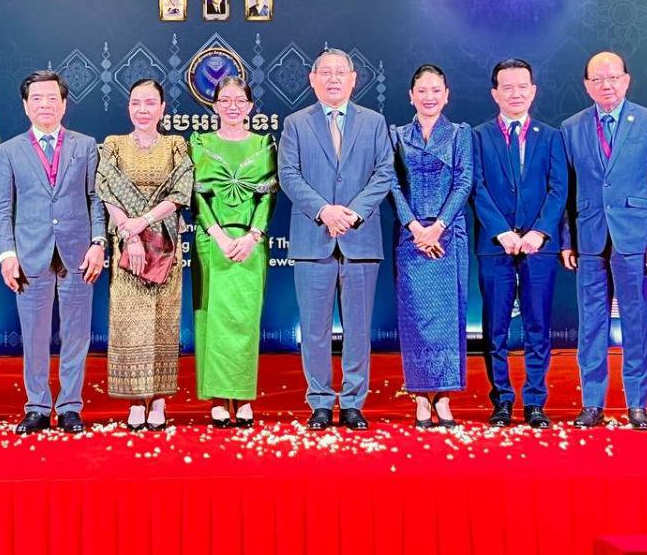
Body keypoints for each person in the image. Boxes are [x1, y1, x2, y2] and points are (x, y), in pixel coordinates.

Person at [278, 48, 394, 431]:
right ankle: (320, 402)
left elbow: (384, 172)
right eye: (325, 72)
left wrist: (353, 212)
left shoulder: (374, 122)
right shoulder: (296, 123)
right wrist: (324, 211)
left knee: (359, 328)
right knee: (314, 329)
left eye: (340, 72)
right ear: (312, 79)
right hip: (315, 237)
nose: (333, 79)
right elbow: (288, 174)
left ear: (353, 79)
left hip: (360, 238)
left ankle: (354, 403)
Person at [560, 52, 647, 430]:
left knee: (637, 323)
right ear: (586, 85)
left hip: (636, 238)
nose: (606, 85)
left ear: (626, 80)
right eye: (597, 79)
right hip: (589, 239)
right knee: (591, 324)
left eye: (612, 78)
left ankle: (637, 404)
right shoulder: (571, 127)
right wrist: (567, 240)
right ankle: (592, 403)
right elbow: (566, 190)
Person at [0, 70, 106, 434]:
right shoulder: (9, 150)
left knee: (77, 335)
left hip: (78, 253)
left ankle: (71, 406)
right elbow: (3, 207)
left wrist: (98, 242)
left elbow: (96, 198)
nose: (45, 105)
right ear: (25, 105)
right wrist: (6, 254)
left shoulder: (85, 146)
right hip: (29, 255)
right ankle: (37, 407)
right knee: (34, 336)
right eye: (37, 98)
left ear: (64, 104)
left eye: (52, 98)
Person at [470, 58, 568, 429]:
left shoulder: (551, 136)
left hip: (538, 247)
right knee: (495, 328)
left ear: (533, 91)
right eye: (507, 87)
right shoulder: (478, 136)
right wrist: (502, 231)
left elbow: (558, 190)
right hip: (495, 244)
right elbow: (476, 188)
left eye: (522, 86)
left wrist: (539, 232)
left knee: (537, 325)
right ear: (495, 93)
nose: (516, 94)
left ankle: (535, 401)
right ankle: (502, 400)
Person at [97, 79, 194, 431]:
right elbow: (105, 190)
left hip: (165, 246)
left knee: (163, 321)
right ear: (128, 107)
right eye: (136, 103)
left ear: (163, 108)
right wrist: (130, 233)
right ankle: (136, 401)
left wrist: (144, 222)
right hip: (128, 248)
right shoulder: (114, 144)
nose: (143, 110)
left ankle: (160, 400)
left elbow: (181, 192)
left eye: (151, 103)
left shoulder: (175, 144)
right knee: (130, 324)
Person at [190, 77, 277, 428]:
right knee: (211, 317)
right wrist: (218, 236)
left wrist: (253, 235)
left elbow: (268, 196)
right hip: (210, 241)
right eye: (224, 100)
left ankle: (242, 397)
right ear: (214, 106)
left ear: (250, 107)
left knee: (244, 319)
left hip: (251, 243)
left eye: (239, 100)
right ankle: (216, 398)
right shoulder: (199, 143)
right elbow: (195, 196)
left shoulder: (264, 144)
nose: (232, 106)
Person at [388, 64, 473, 429]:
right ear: (411, 96)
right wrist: (414, 227)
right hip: (410, 236)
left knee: (448, 317)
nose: (429, 97)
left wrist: (438, 227)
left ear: (447, 95)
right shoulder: (396, 135)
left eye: (436, 90)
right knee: (416, 318)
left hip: (448, 235)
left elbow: (465, 181)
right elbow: (391, 183)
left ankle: (445, 396)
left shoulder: (459, 134)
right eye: (422, 90)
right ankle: (421, 395)